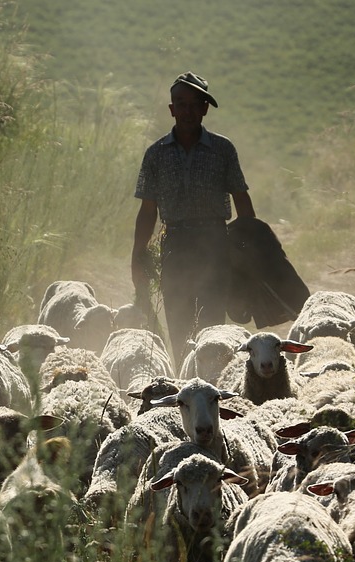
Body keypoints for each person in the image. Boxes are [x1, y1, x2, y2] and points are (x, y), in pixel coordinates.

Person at [131, 72, 256, 365]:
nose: (187, 110)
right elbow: (148, 210)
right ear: (172, 108)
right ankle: (185, 386)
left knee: (212, 323)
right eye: (181, 103)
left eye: (194, 104)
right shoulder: (156, 154)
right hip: (174, 247)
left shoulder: (223, 150)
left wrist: (251, 250)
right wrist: (138, 255)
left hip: (215, 245)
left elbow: (241, 199)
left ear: (204, 108)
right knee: (178, 319)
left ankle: (213, 388)